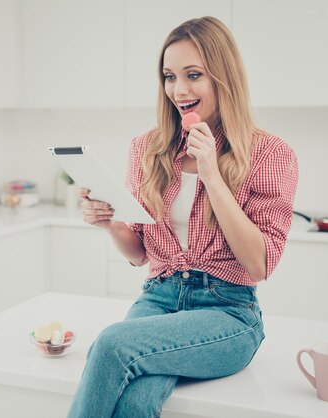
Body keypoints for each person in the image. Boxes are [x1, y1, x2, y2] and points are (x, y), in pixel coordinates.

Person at [68, 16, 298, 418]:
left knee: (110, 345)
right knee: (137, 398)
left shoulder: (270, 153)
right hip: (158, 298)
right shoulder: (147, 148)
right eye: (169, 76)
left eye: (194, 75)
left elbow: (260, 264)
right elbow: (139, 253)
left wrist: (211, 173)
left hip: (227, 311)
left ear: (224, 78)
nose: (179, 90)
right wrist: (110, 223)